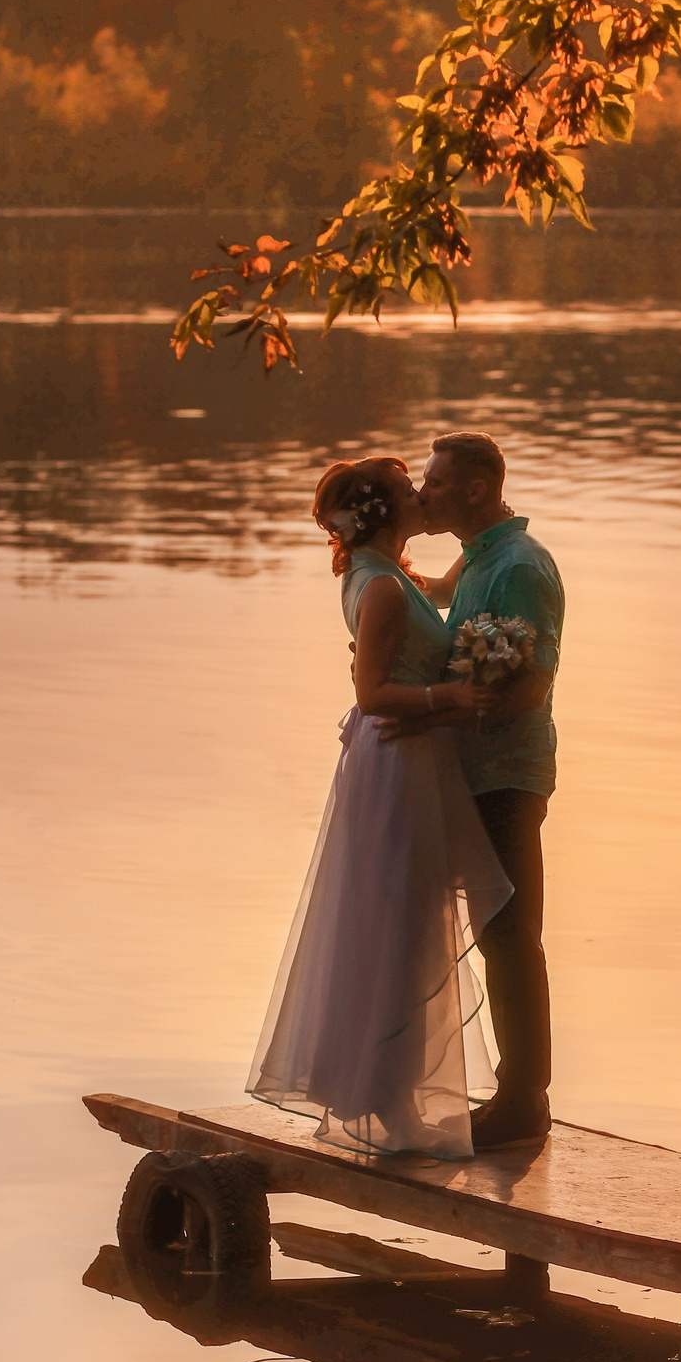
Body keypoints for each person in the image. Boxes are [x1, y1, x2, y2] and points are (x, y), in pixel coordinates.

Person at [244, 456, 512, 1158]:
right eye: (408, 490)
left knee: (400, 921)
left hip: (403, 762)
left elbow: (446, 589)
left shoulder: (388, 575)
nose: (422, 495)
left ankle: (387, 1094)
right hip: (397, 762)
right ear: (385, 510)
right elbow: (372, 695)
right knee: (401, 925)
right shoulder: (385, 590)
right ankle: (389, 1102)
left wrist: (494, 545)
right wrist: (450, 697)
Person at [394, 431, 562, 1149]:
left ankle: (524, 1098)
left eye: (433, 482)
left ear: (472, 488)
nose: (425, 493)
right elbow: (436, 606)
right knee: (498, 932)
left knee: (509, 933)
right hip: (471, 771)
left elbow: (536, 675)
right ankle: (512, 1092)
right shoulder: (481, 558)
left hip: (508, 775)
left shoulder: (521, 566)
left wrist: (469, 701)